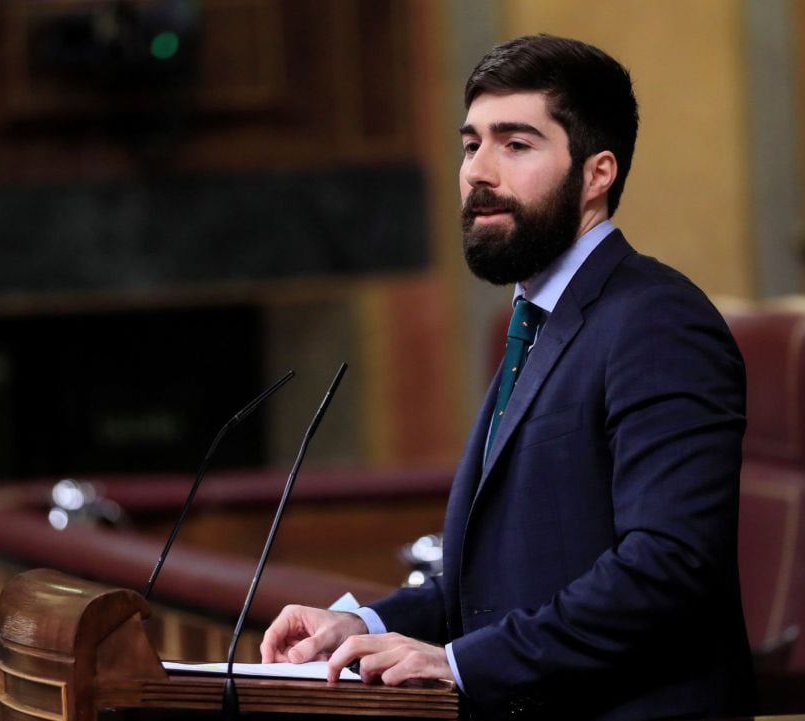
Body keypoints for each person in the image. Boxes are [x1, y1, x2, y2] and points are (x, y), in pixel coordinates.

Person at [260, 34, 754, 721]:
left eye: (515, 145)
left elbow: (668, 567)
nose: (479, 172)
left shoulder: (656, 321)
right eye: (471, 145)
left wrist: (463, 662)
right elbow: (498, 583)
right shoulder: (538, 321)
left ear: (597, 173)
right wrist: (363, 626)